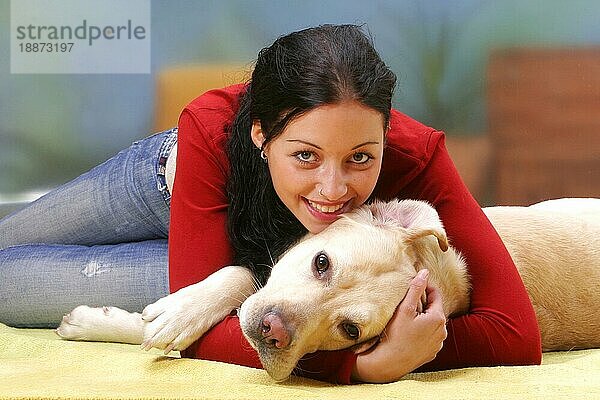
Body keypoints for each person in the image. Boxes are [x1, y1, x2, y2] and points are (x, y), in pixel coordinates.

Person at [0, 24, 541, 384]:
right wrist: (366, 366)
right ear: (261, 133)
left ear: (385, 134)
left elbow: (516, 336)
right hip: (169, 187)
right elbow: (204, 331)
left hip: (242, 273)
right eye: (305, 156)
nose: (333, 190)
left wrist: (402, 348)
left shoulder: (415, 156)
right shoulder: (212, 127)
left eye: (360, 157)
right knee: (11, 240)